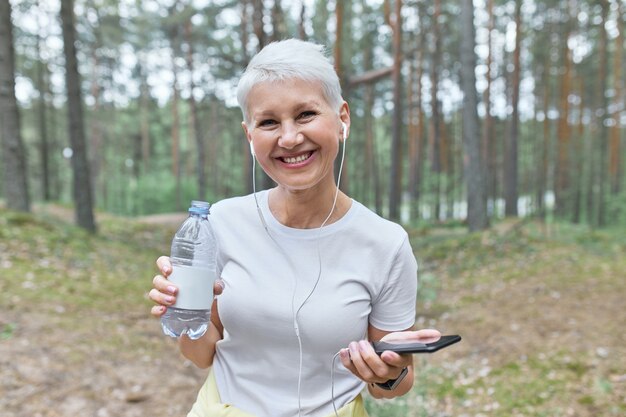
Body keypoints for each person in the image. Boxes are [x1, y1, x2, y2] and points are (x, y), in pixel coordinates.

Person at [149, 38, 441, 417]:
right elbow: (201, 354)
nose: (289, 138)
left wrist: (386, 374)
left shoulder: (385, 244)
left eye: (305, 115)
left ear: (343, 119)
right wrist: (185, 312)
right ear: (249, 135)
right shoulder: (220, 223)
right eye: (269, 122)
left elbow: (395, 385)